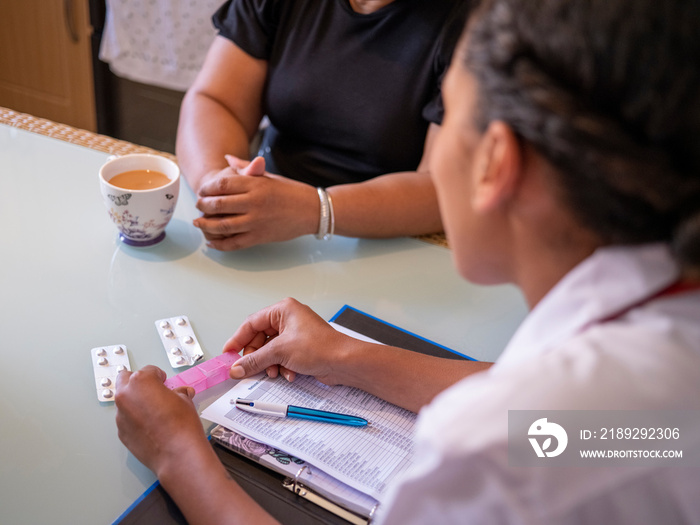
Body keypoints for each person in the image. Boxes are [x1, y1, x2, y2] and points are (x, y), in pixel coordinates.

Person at [115, 0, 700, 523]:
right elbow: (601, 434)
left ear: (495, 163)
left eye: (453, 120)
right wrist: (346, 355)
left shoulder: (483, 453)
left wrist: (177, 453)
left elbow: (534, 429)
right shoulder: (655, 382)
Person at [176, 0, 474, 251]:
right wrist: (218, 186)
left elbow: (445, 188)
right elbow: (216, 100)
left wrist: (316, 210)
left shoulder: (475, 22)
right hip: (265, 220)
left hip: (388, 240)